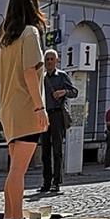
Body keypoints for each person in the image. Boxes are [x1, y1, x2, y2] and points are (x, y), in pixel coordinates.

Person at [0, 0, 49, 219]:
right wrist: (40, 108)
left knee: (14, 167)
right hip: (25, 107)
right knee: (19, 169)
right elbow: (30, 72)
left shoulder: (5, 40)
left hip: (8, 108)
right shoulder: (30, 33)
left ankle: (9, 216)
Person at [40, 49, 78, 194]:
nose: (49, 62)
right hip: (44, 115)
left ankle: (56, 182)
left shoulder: (62, 76)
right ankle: (46, 182)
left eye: (51, 59)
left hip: (57, 115)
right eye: (47, 59)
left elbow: (74, 92)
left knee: (57, 150)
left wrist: (64, 92)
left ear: (57, 61)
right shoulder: (41, 78)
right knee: (45, 152)